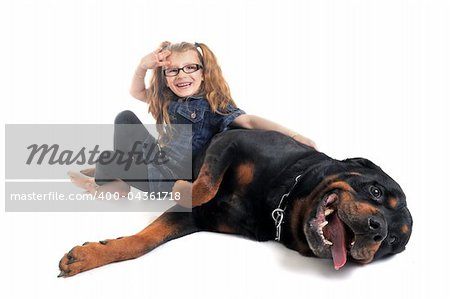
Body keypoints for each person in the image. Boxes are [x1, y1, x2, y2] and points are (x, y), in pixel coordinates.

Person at [69, 41, 316, 196]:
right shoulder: (171, 101)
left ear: (203, 72)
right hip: (158, 156)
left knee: (110, 159)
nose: (181, 75)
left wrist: (294, 135)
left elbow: (250, 121)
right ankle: (118, 181)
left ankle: (109, 180)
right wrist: (142, 66)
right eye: (173, 70)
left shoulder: (214, 106)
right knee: (124, 118)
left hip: (174, 175)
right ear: (165, 76)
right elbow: (136, 92)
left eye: (190, 67)